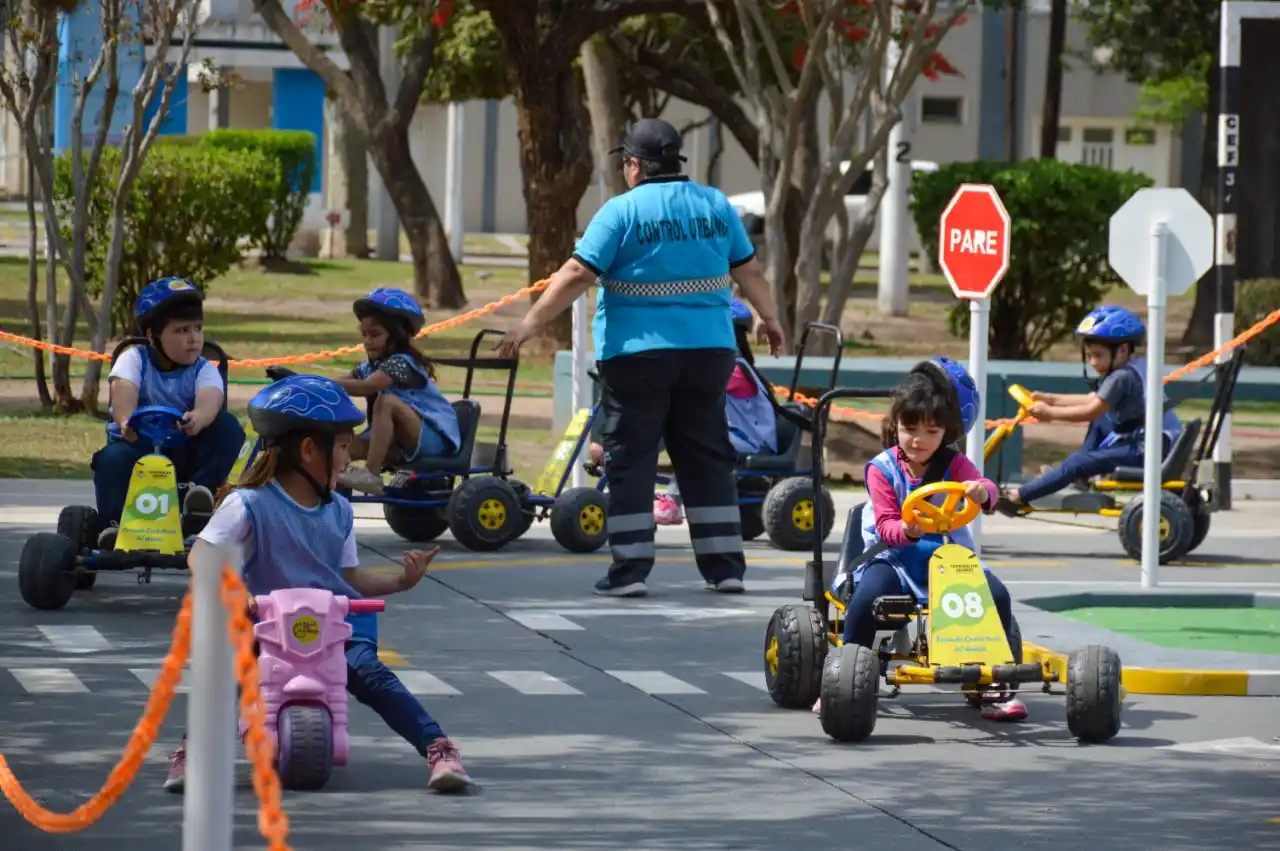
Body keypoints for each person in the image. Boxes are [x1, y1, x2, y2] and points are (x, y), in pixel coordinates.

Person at [496, 118, 785, 598]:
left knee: (632, 459)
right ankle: (725, 567)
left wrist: (528, 325)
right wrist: (770, 317)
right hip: (709, 352)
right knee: (707, 457)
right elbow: (749, 269)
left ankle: (630, 570)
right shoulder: (716, 205)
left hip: (637, 356)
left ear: (633, 165)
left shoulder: (620, 212)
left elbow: (576, 274)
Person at [162, 374, 470, 794]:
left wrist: (401, 579)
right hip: (266, 622)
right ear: (309, 450)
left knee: (367, 672)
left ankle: (438, 747)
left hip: (336, 619)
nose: (348, 458)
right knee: (233, 669)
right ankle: (193, 750)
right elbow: (201, 554)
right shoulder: (249, 503)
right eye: (343, 446)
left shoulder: (339, 511)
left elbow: (348, 577)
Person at [825, 357, 1026, 722]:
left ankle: (998, 683)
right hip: (894, 557)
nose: (919, 440)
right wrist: (906, 530)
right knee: (868, 599)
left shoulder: (954, 463)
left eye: (932, 432)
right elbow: (885, 524)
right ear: (895, 425)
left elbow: (987, 488)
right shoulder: (882, 469)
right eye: (910, 428)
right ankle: (841, 678)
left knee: (996, 596)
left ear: (945, 434)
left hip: (947, 555)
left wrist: (981, 492)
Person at [93, 277, 245, 547]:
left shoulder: (203, 368)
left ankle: (196, 500)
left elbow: (210, 397)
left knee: (228, 427)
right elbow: (123, 391)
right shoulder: (134, 359)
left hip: (185, 454)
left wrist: (199, 417)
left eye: (197, 329)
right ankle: (112, 527)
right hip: (135, 449)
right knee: (111, 458)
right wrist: (126, 419)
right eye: (182, 330)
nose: (194, 339)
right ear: (152, 335)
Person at [997, 305, 1182, 514]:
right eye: (1089, 356)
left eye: (1098, 355)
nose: (1093, 362)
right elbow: (1091, 399)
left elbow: (1090, 410)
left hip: (1146, 450)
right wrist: (1051, 399)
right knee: (1100, 422)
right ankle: (1079, 475)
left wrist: (1050, 414)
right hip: (1156, 442)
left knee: (1077, 461)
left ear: (1122, 350)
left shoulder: (1121, 378)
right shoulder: (1133, 368)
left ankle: (1019, 496)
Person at [294, 287, 461, 496]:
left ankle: (371, 475)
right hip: (399, 442)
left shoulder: (402, 363)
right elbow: (342, 383)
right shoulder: (370, 366)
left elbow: (368, 386)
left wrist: (323, 383)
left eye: (375, 334)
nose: (367, 341)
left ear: (397, 336)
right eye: (364, 335)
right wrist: (305, 383)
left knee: (386, 402)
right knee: (340, 448)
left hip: (432, 439)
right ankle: (325, 486)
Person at [654, 297, 779, 525]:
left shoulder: (735, 370)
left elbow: (693, 389)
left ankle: (672, 501)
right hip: (732, 434)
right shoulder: (724, 366)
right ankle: (628, 455)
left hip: (751, 441)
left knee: (689, 437)